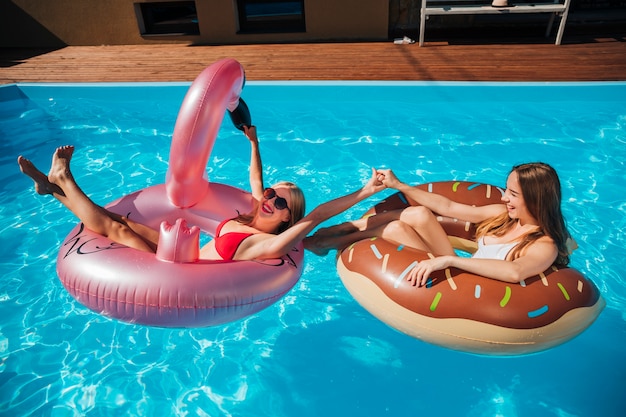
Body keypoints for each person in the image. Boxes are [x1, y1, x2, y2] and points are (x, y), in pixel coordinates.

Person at [18, 126, 386, 261]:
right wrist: (254, 143)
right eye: (273, 192)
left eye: (279, 202)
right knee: (119, 218)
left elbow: (319, 213)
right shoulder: (253, 210)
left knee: (120, 231)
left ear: (288, 216)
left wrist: (367, 191)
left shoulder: (269, 243)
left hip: (186, 270)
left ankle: (64, 180)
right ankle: (49, 188)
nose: (270, 198)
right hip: (184, 250)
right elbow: (255, 178)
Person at [304, 163, 574, 286]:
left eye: (513, 194)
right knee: (418, 214)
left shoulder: (544, 244)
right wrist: (399, 185)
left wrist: (450, 262)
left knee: (397, 228)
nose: (504, 197)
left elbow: (515, 272)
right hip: (458, 266)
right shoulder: (502, 214)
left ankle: (329, 240)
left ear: (536, 199)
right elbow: (448, 207)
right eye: (506, 190)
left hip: (465, 281)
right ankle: (339, 233)